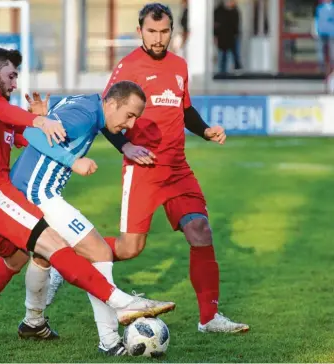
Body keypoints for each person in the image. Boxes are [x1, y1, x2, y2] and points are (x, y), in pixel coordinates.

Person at [0, 47, 175, 341]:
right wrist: (44, 127)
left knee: (17, 259)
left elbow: (22, 136)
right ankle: (120, 310)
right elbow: (27, 126)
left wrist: (39, 119)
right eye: (11, 75)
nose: (15, 83)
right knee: (64, 245)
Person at [49, 3, 249, 334]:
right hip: (143, 171)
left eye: (165, 32)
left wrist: (205, 130)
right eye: (152, 32)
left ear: (173, 31)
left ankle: (209, 318)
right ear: (140, 30)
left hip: (178, 170)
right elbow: (104, 115)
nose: (159, 39)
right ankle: (64, 262)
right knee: (131, 248)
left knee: (200, 232)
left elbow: (185, 110)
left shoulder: (180, 66)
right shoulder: (128, 67)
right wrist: (125, 145)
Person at [214, 0, 242, 73]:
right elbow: (216, 25)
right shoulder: (219, 11)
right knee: (223, 56)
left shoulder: (235, 11)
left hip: (232, 37)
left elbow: (236, 25)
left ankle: (237, 71)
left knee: (235, 56)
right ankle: (222, 73)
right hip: (223, 38)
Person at [313, 0, 334, 73]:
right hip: (321, 31)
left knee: (332, 49)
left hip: (332, 32)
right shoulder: (319, 8)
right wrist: (315, 30)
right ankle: (321, 66)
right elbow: (316, 19)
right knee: (319, 49)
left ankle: (332, 67)